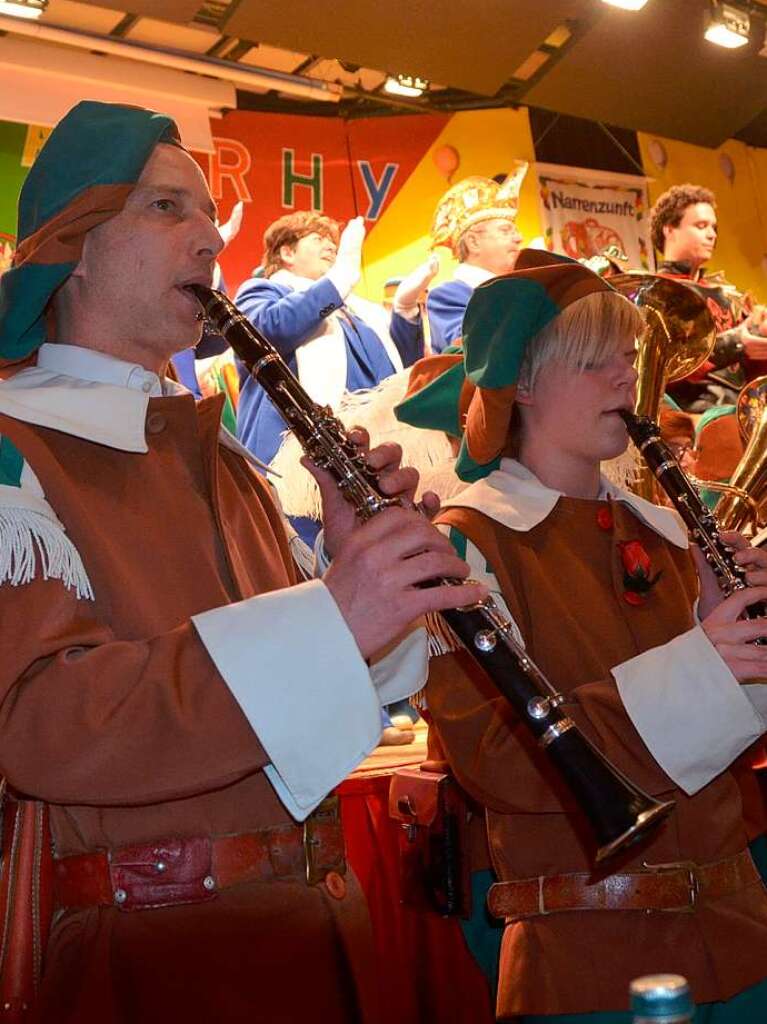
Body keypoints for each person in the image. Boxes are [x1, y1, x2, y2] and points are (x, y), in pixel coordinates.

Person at [0, 100, 485, 1024]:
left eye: (208, 212)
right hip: (155, 974)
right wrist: (334, 616)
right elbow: (46, 725)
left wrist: (363, 584)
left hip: (305, 946)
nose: (212, 234)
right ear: (77, 243)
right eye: (165, 209)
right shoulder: (15, 451)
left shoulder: (220, 458)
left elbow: (296, 703)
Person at [398, 248, 767, 1022]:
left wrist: (742, 646)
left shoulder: (667, 531)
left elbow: (730, 759)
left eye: (626, 358)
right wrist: (703, 665)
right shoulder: (467, 542)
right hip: (590, 963)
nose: (623, 379)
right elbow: (502, 766)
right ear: (521, 384)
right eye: (593, 361)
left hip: (741, 939)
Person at [235, 210, 435, 474]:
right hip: (294, 457)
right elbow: (267, 332)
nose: (330, 246)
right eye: (318, 239)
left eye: (333, 241)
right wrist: (337, 281)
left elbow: (400, 370)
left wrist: (405, 308)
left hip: (368, 453)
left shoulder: (360, 310)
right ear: (287, 253)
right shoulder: (261, 291)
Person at [650, 183, 767, 410]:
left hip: (744, 412)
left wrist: (759, 334)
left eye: (714, 227)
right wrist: (735, 343)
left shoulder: (728, 294)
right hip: (692, 417)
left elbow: (745, 373)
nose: (712, 234)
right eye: (701, 226)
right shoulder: (654, 292)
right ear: (669, 230)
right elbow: (662, 367)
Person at [426, 163, 527, 353]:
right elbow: (470, 349)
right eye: (506, 231)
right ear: (473, 242)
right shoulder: (447, 296)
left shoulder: (522, 287)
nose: (519, 238)